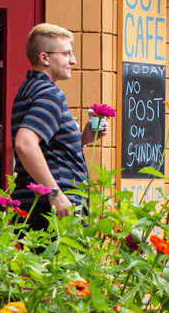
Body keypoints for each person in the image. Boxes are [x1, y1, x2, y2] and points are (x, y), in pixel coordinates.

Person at [11, 23, 105, 230]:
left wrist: (82, 139)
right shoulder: (50, 94)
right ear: (44, 58)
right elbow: (25, 144)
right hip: (56, 207)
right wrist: (55, 193)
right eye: (67, 54)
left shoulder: (28, 90)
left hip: (33, 203)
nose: (74, 61)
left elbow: (45, 148)